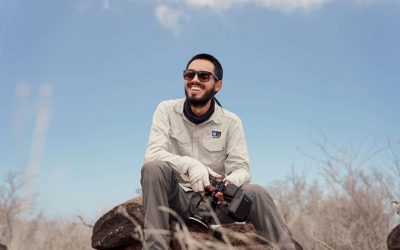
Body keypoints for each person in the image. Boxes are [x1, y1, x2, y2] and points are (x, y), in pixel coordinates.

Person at [141, 53, 296, 250]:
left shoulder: (231, 122)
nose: (195, 80)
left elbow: (242, 168)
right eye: (190, 75)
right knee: (153, 167)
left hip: (216, 203)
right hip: (176, 199)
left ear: (218, 85)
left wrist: (230, 183)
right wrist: (191, 165)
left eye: (204, 76)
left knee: (257, 192)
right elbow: (152, 154)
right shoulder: (165, 110)